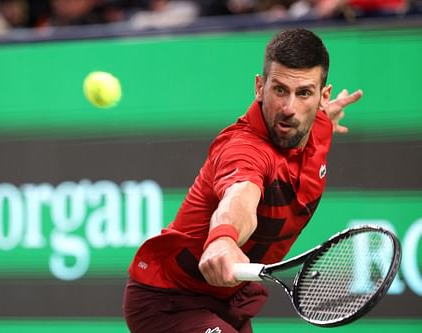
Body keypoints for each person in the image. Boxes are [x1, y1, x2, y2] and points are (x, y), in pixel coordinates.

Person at [123, 28, 363, 333]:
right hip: (169, 300)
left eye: (304, 93)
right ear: (259, 87)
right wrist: (223, 238)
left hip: (229, 301)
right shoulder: (243, 149)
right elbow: (239, 197)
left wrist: (328, 116)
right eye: (279, 90)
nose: (289, 108)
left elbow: (318, 119)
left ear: (322, 96)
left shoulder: (316, 124)